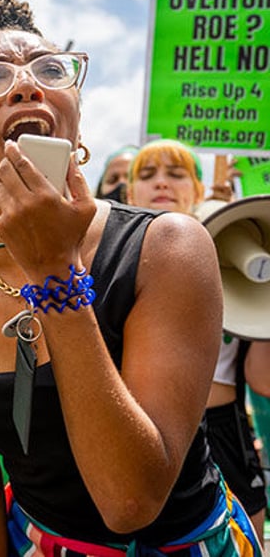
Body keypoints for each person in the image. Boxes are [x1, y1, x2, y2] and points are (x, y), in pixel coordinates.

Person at [0, 0, 261, 554]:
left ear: (76, 121)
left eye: (51, 68)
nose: (27, 85)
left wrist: (55, 277)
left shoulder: (168, 247)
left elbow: (129, 502)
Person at [127, 138, 270, 539]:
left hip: (221, 429)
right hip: (139, 427)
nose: (161, 184)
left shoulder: (225, 245)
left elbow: (263, 380)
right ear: (128, 191)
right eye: (148, 174)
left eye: (176, 175)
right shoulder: (102, 259)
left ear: (199, 191)